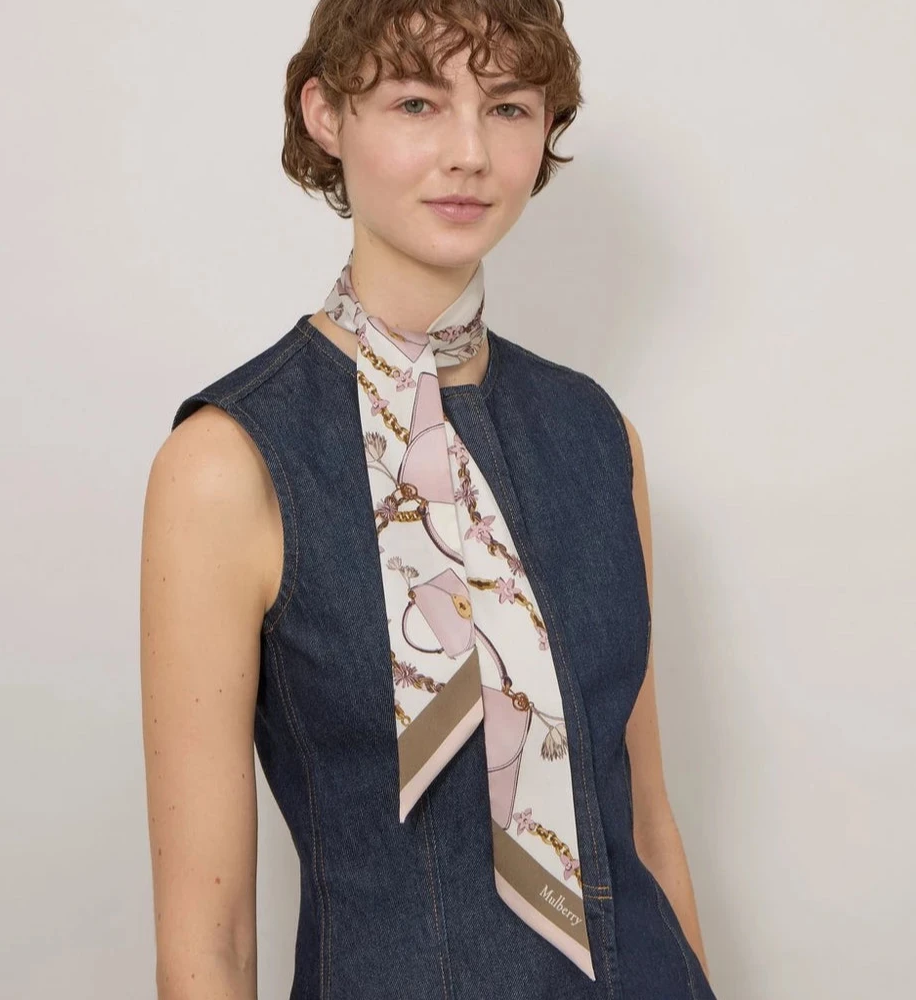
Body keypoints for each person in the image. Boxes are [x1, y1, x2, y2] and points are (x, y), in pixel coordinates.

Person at [140, 2, 717, 998]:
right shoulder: (227, 465)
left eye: (507, 107)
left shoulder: (597, 436)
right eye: (417, 102)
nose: (469, 154)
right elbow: (210, 940)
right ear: (327, 114)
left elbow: (648, 826)